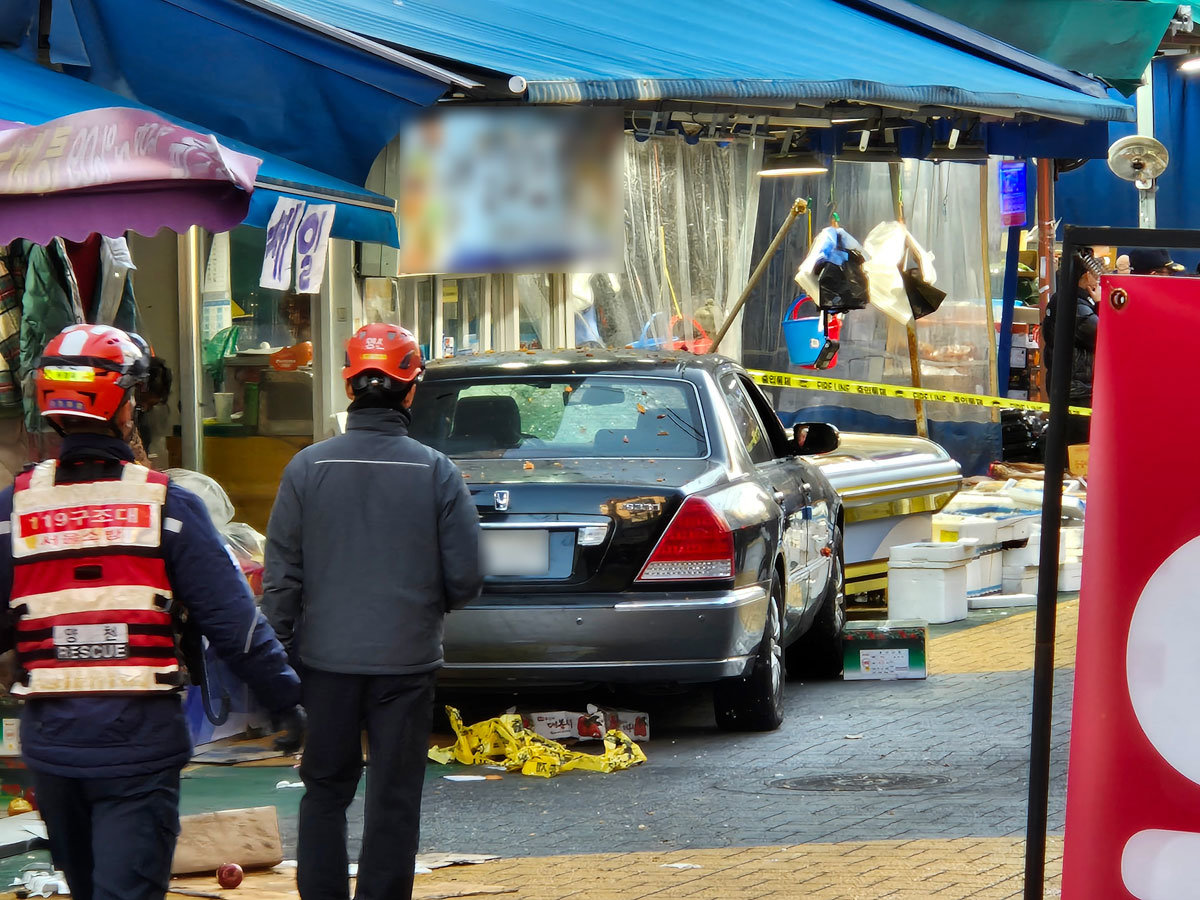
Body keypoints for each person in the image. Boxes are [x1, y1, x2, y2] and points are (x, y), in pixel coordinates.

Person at [0, 324, 303, 900]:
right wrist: (285, 697)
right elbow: (234, 623)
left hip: (53, 751)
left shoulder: (16, 509)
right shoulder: (167, 506)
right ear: (124, 403)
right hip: (137, 750)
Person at [262, 323, 482, 900]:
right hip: (406, 663)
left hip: (326, 662)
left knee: (325, 790)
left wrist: (278, 661)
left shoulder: (306, 469)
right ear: (412, 389)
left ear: (349, 385)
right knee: (394, 794)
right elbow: (466, 578)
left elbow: (281, 582)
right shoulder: (437, 472)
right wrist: (423, 608)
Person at [1043, 253, 1100, 446]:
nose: (1098, 278)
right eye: (1094, 273)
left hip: (1074, 388)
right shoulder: (1075, 305)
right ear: (1085, 276)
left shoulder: (1073, 301)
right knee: (1077, 448)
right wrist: (1102, 304)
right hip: (1077, 391)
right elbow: (1101, 335)